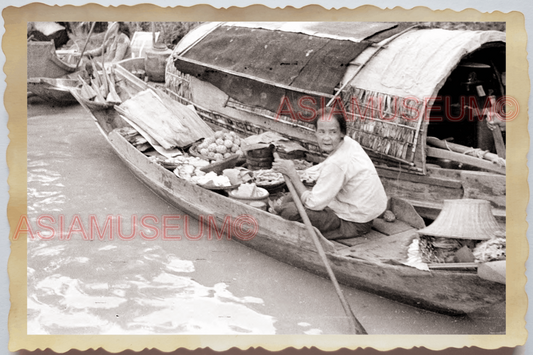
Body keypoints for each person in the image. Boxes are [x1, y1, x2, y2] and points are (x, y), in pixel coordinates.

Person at [272, 108, 388, 240]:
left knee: (290, 210)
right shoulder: (348, 143)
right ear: (315, 132)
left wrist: (293, 175)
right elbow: (325, 167)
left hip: (354, 222)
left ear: (341, 133)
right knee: (290, 197)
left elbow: (313, 204)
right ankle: (280, 207)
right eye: (321, 132)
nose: (326, 138)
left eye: (332, 132)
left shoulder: (336, 163)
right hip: (361, 212)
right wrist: (298, 171)